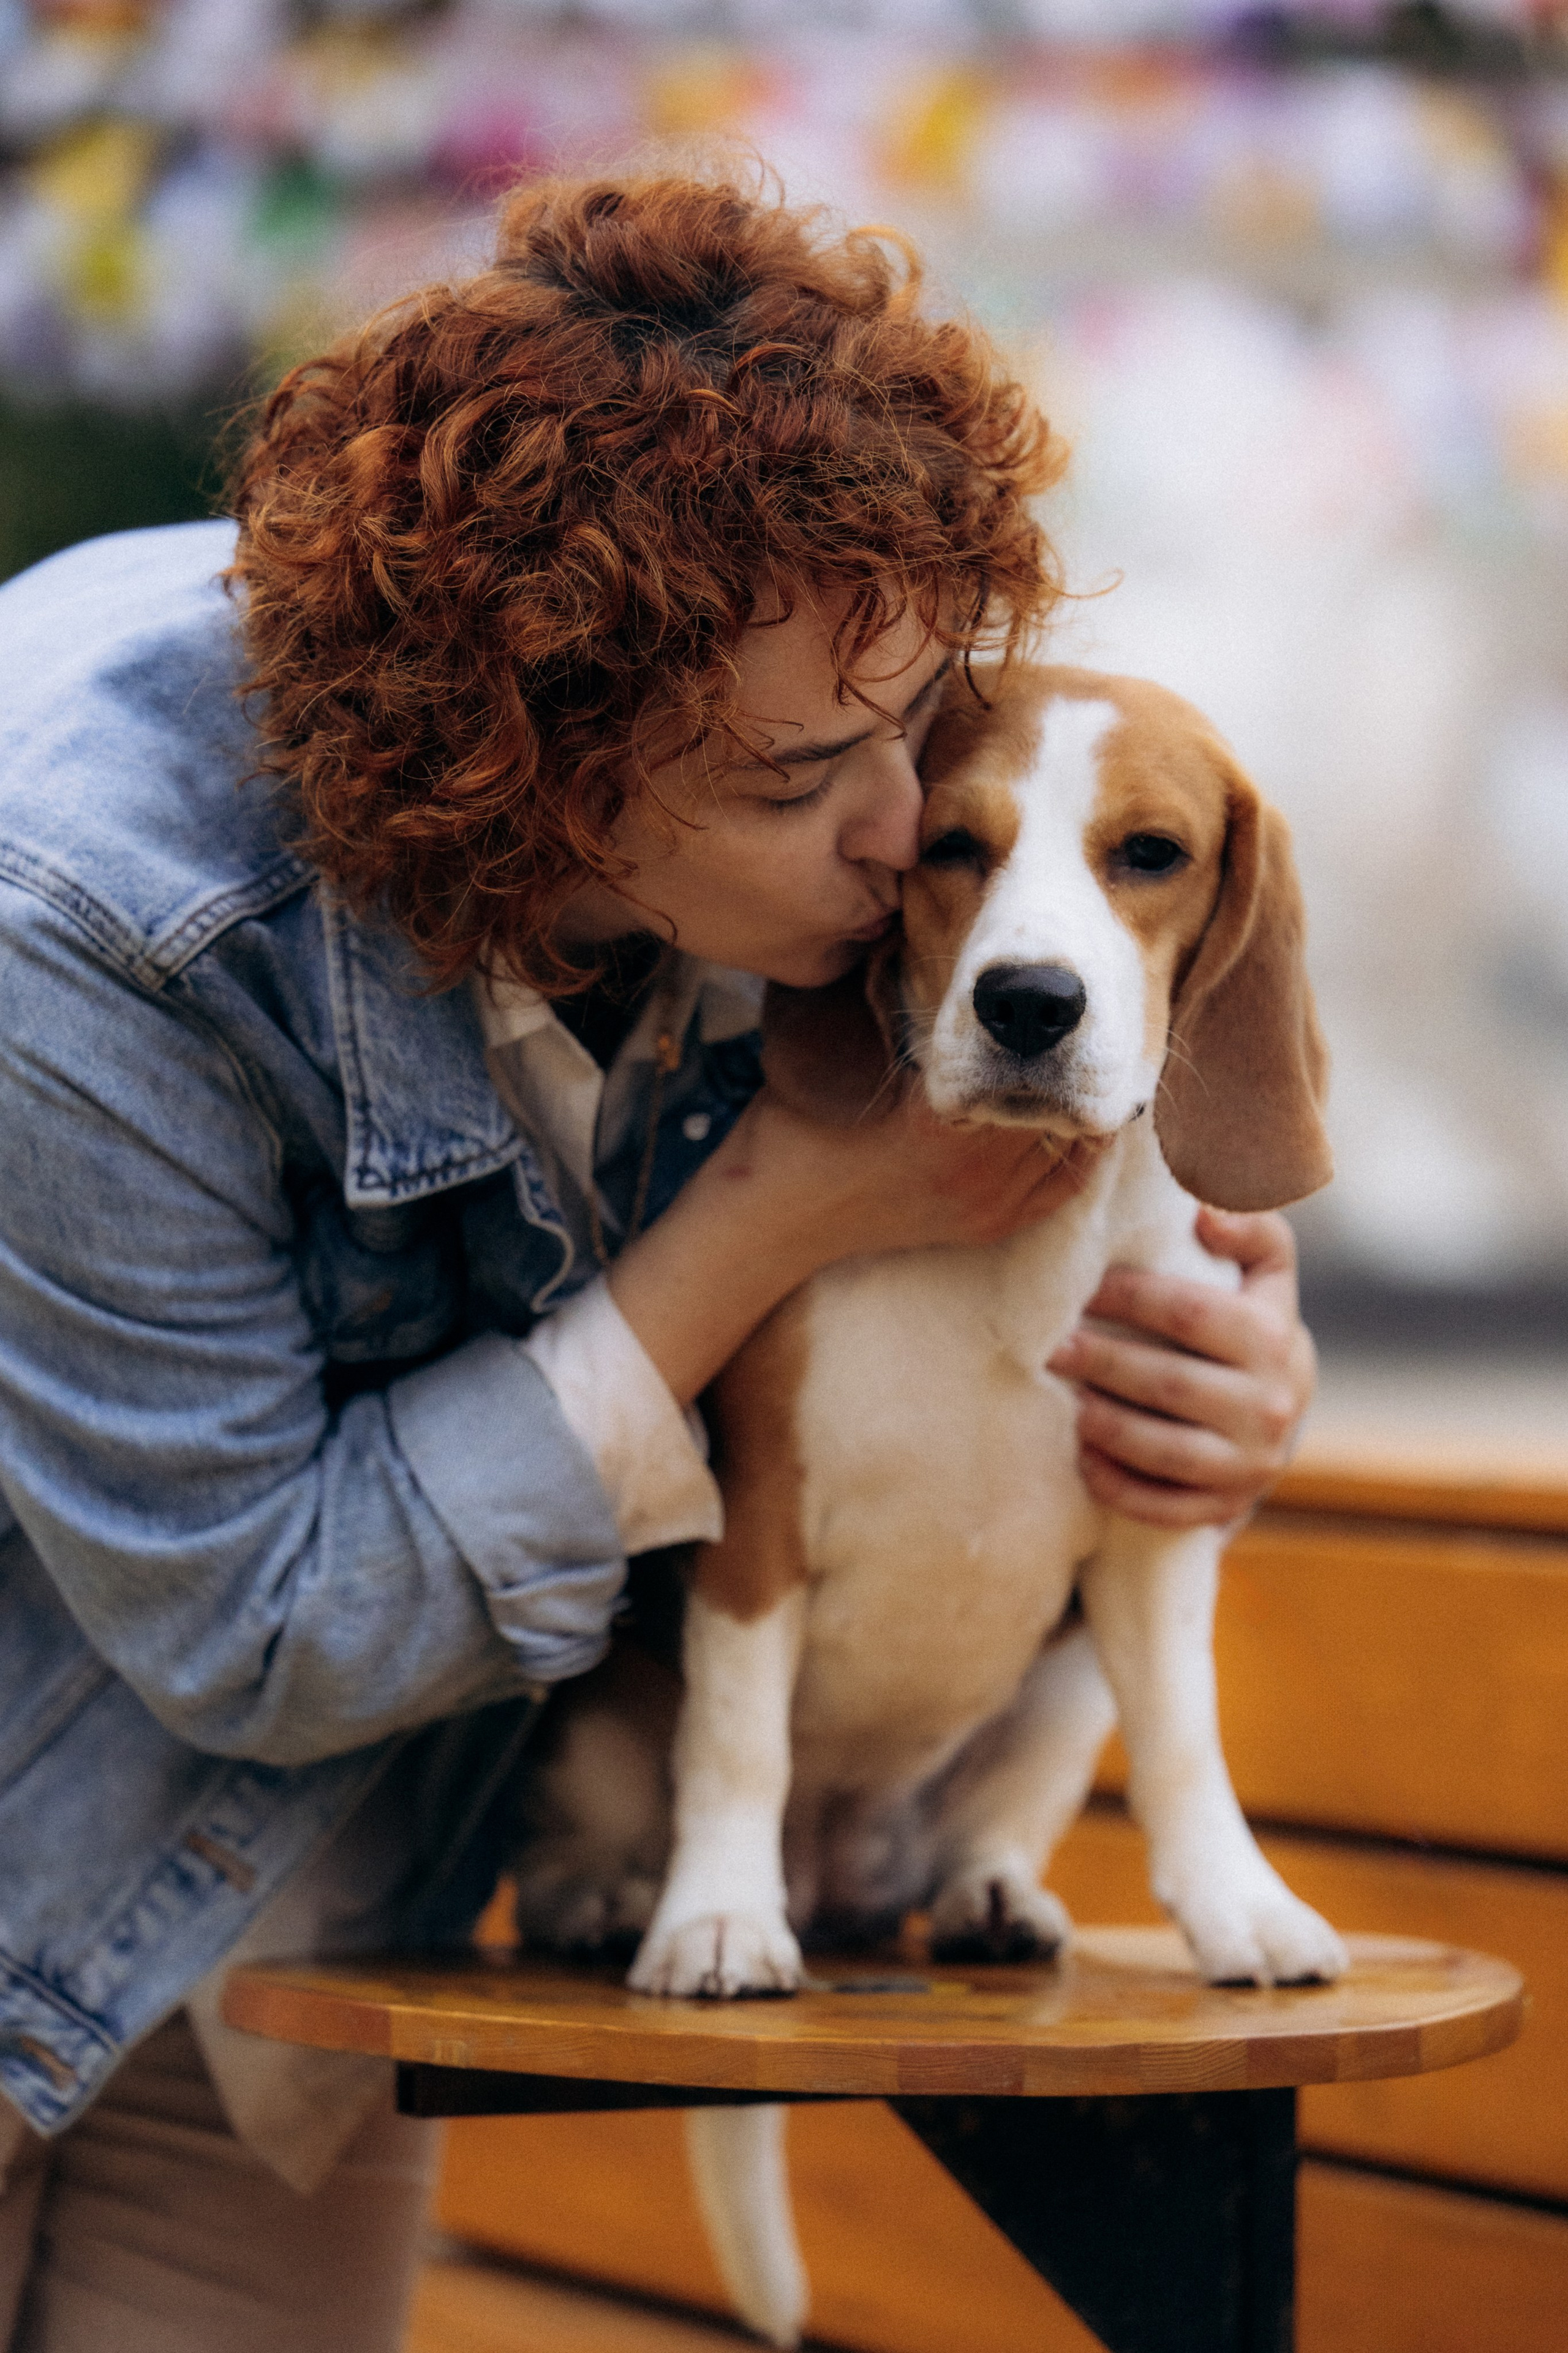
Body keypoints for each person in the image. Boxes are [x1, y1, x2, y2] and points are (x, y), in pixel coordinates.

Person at [0, 170, 1316, 2353]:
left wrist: (1211, 1380)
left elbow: (1071, 1147)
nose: (908, 836)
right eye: (815, 778)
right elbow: (256, 1627)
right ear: (536, 781)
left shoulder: (793, 825)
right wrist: (783, 1212)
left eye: (911, 720)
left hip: (306, 1932)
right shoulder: (86, 930)